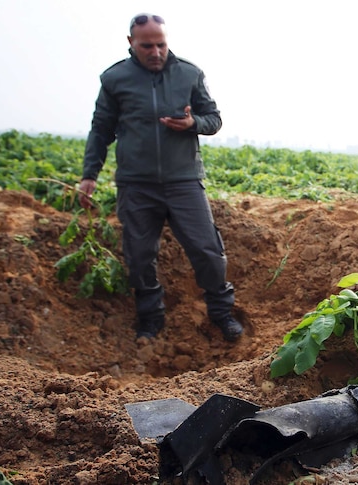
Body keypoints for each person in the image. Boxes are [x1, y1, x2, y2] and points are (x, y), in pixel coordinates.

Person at [78, 13, 243, 342]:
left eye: (161, 45)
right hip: (136, 184)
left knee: (208, 251)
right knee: (139, 256)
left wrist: (192, 123)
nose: (156, 52)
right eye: (147, 46)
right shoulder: (115, 79)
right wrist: (89, 174)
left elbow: (214, 119)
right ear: (131, 44)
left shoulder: (189, 74)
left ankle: (222, 313)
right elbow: (101, 130)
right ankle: (150, 319)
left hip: (183, 180)